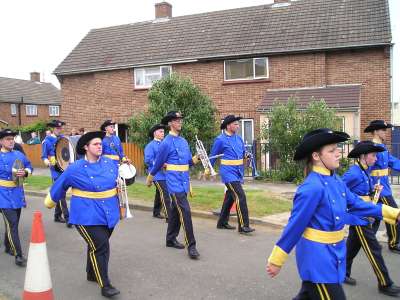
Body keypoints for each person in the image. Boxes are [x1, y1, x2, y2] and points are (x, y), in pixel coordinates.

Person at [266, 128, 400, 299]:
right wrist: (277, 260)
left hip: (333, 254)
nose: (339, 153)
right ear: (316, 156)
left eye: (337, 148)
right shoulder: (312, 188)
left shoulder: (336, 180)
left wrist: (394, 213)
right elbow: (295, 226)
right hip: (318, 260)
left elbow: (357, 204)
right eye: (332, 150)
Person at [44, 131, 120, 298]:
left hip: (109, 213)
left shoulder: (109, 163)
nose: (100, 146)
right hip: (86, 215)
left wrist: (129, 176)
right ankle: (105, 285)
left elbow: (119, 180)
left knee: (97, 244)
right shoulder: (75, 169)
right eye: (96, 144)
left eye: (101, 143)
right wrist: (49, 201)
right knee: (101, 246)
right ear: (86, 147)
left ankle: (91, 273)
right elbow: (60, 186)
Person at [342, 141, 400, 297]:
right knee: (374, 249)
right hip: (359, 218)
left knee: (352, 247)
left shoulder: (365, 171)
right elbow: (339, 190)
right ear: (363, 156)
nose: (376, 159)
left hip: (363, 215)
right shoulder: (353, 173)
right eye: (373, 155)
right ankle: (385, 283)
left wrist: (374, 190)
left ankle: (343, 272)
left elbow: (364, 194)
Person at [146, 111, 200, 259]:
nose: (179, 122)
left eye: (180, 120)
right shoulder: (166, 143)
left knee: (176, 210)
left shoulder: (183, 141)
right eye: (176, 120)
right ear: (170, 123)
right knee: (185, 212)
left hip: (183, 180)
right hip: (173, 182)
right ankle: (192, 245)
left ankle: (170, 239)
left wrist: (197, 158)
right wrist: (150, 177)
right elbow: (157, 163)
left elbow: (188, 162)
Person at [209, 115, 255, 234]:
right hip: (228, 173)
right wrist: (208, 170)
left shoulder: (238, 139)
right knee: (240, 196)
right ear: (228, 126)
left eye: (238, 124)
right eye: (235, 124)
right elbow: (212, 156)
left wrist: (247, 156)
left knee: (230, 197)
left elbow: (243, 153)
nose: (238, 126)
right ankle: (243, 226)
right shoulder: (220, 139)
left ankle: (222, 222)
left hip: (238, 172)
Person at [365, 120, 400, 253]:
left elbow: (392, 161)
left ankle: (368, 241)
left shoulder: (383, 148)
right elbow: (367, 169)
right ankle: (393, 243)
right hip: (378, 188)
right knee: (394, 213)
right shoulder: (371, 148)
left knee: (376, 215)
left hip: (384, 186)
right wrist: (369, 187)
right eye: (383, 130)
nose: (386, 133)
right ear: (375, 132)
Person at [0, 129, 33, 267]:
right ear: (1, 141)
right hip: (3, 195)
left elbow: (30, 167)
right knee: (12, 224)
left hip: (17, 193)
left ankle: (8, 245)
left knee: (13, 223)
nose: (11, 141)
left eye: (12, 138)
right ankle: (18, 254)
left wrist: (25, 172)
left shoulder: (19, 154)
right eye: (8, 139)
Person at [41, 120, 70, 227]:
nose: (59, 130)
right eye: (57, 128)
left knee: (59, 191)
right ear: (53, 129)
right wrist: (46, 161)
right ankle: (68, 218)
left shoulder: (63, 139)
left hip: (64, 167)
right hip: (55, 170)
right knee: (61, 193)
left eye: (60, 128)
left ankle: (57, 215)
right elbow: (44, 156)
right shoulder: (47, 141)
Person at [144, 124, 170, 219]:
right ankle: (169, 216)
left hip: (165, 174)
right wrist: (161, 164)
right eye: (161, 131)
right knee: (165, 193)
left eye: (163, 132)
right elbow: (148, 160)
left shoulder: (165, 144)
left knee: (159, 193)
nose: (163, 133)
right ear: (155, 133)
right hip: (156, 175)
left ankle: (156, 212)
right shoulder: (150, 146)